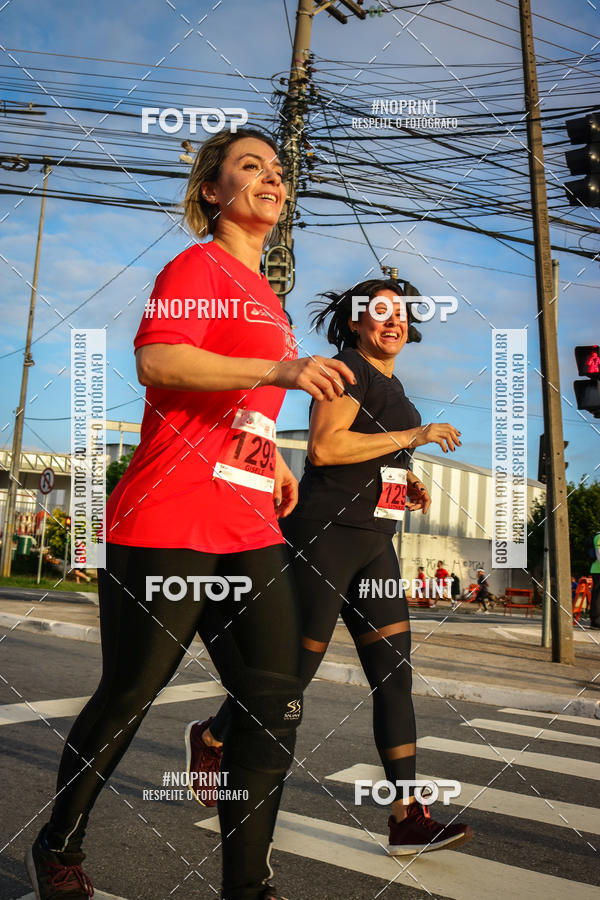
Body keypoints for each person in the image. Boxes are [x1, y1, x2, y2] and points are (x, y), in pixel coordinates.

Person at [25, 128, 355, 900]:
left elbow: (238, 398)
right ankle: (59, 847)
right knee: (131, 693)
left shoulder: (269, 298)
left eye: (277, 169)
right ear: (213, 191)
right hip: (167, 516)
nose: (271, 177)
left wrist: (268, 451)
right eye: (250, 167)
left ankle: (249, 887)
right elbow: (159, 361)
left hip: (247, 525)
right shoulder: (194, 266)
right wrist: (281, 367)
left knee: (275, 704)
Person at [187, 281, 473, 856]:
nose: (391, 321)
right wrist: (414, 435)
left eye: (400, 314)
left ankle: (406, 815)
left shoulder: (391, 384)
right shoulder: (345, 369)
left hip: (375, 542)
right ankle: (215, 737)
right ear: (357, 322)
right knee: (290, 678)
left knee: (394, 679)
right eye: (378, 312)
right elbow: (325, 449)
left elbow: (369, 455)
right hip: (325, 539)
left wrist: (403, 481)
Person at [590, 532, 600, 629]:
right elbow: (599, 553)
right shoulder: (599, 537)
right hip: (598, 570)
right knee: (597, 596)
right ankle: (596, 621)